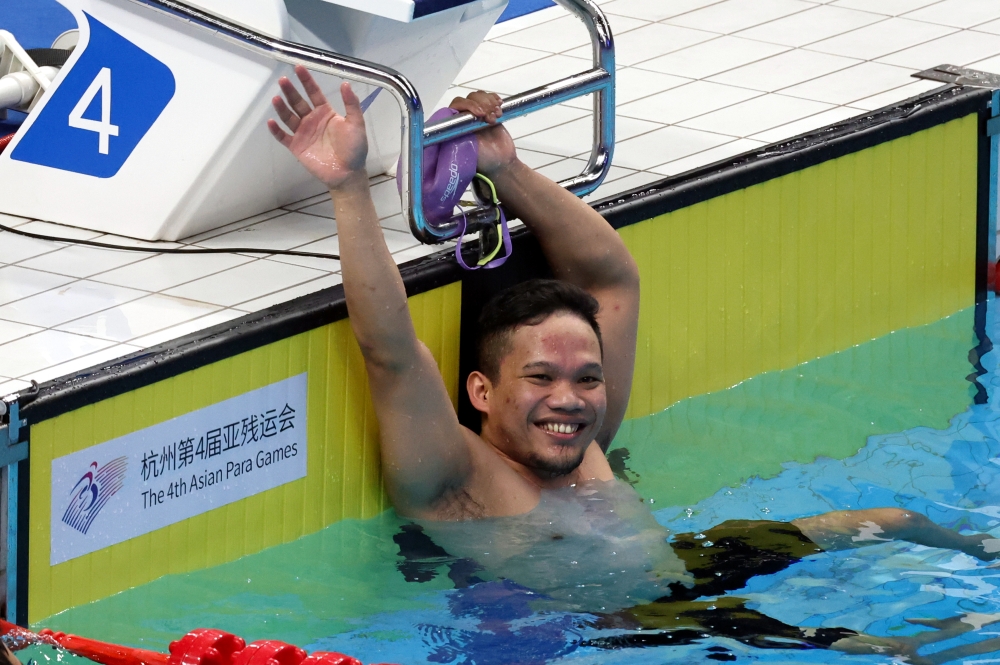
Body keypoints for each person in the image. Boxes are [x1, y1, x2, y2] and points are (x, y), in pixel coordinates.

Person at [269, 66, 1000, 664]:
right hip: (628, 627)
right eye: (542, 378)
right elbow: (389, 346)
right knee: (889, 653)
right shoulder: (457, 481)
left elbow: (613, 278)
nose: (571, 397)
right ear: (481, 390)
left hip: (684, 567)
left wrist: (505, 166)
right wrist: (348, 186)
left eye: (586, 377)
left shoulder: (580, 438)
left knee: (892, 518)